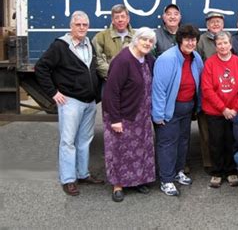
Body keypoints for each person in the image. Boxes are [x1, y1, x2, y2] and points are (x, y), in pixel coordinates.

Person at [35, 11, 103, 196]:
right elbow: (41, 68)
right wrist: (53, 92)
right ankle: (68, 179)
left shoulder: (89, 43)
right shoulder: (60, 46)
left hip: (89, 102)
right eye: (78, 25)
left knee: (84, 140)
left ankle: (83, 174)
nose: (82, 28)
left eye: (85, 25)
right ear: (71, 26)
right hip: (71, 101)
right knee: (68, 142)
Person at [102, 27, 156, 202]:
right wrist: (115, 119)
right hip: (123, 114)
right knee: (119, 149)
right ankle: (118, 185)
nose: (147, 43)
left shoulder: (147, 58)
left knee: (140, 148)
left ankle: (138, 180)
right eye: (144, 39)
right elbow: (111, 92)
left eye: (150, 41)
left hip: (141, 114)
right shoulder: (123, 60)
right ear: (136, 39)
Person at [152, 24, 204, 196]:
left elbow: (199, 83)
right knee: (167, 144)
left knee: (183, 141)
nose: (191, 43)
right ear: (180, 40)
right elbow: (159, 89)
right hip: (169, 110)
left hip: (187, 107)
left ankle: (178, 171)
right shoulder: (167, 58)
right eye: (187, 40)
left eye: (194, 40)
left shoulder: (196, 57)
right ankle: (166, 180)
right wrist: (158, 114)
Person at [201, 31, 238, 188]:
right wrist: (223, 109)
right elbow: (207, 89)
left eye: (225, 43)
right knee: (216, 141)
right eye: (219, 44)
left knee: (231, 141)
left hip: (234, 110)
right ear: (215, 46)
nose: (222, 46)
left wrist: (235, 108)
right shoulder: (210, 63)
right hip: (215, 111)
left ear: (230, 44)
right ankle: (217, 172)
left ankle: (231, 171)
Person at [196, 11, 225, 169]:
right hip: (206, 89)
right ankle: (209, 163)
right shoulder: (201, 40)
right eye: (212, 21)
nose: (215, 24)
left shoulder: (228, 38)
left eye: (218, 21)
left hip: (225, 90)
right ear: (207, 25)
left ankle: (226, 162)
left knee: (224, 131)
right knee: (206, 131)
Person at [92, 4, 134, 80]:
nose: (120, 20)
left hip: (131, 82)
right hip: (109, 81)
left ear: (128, 19)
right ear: (112, 20)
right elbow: (97, 60)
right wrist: (115, 73)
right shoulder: (101, 37)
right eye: (117, 17)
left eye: (123, 16)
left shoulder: (137, 37)